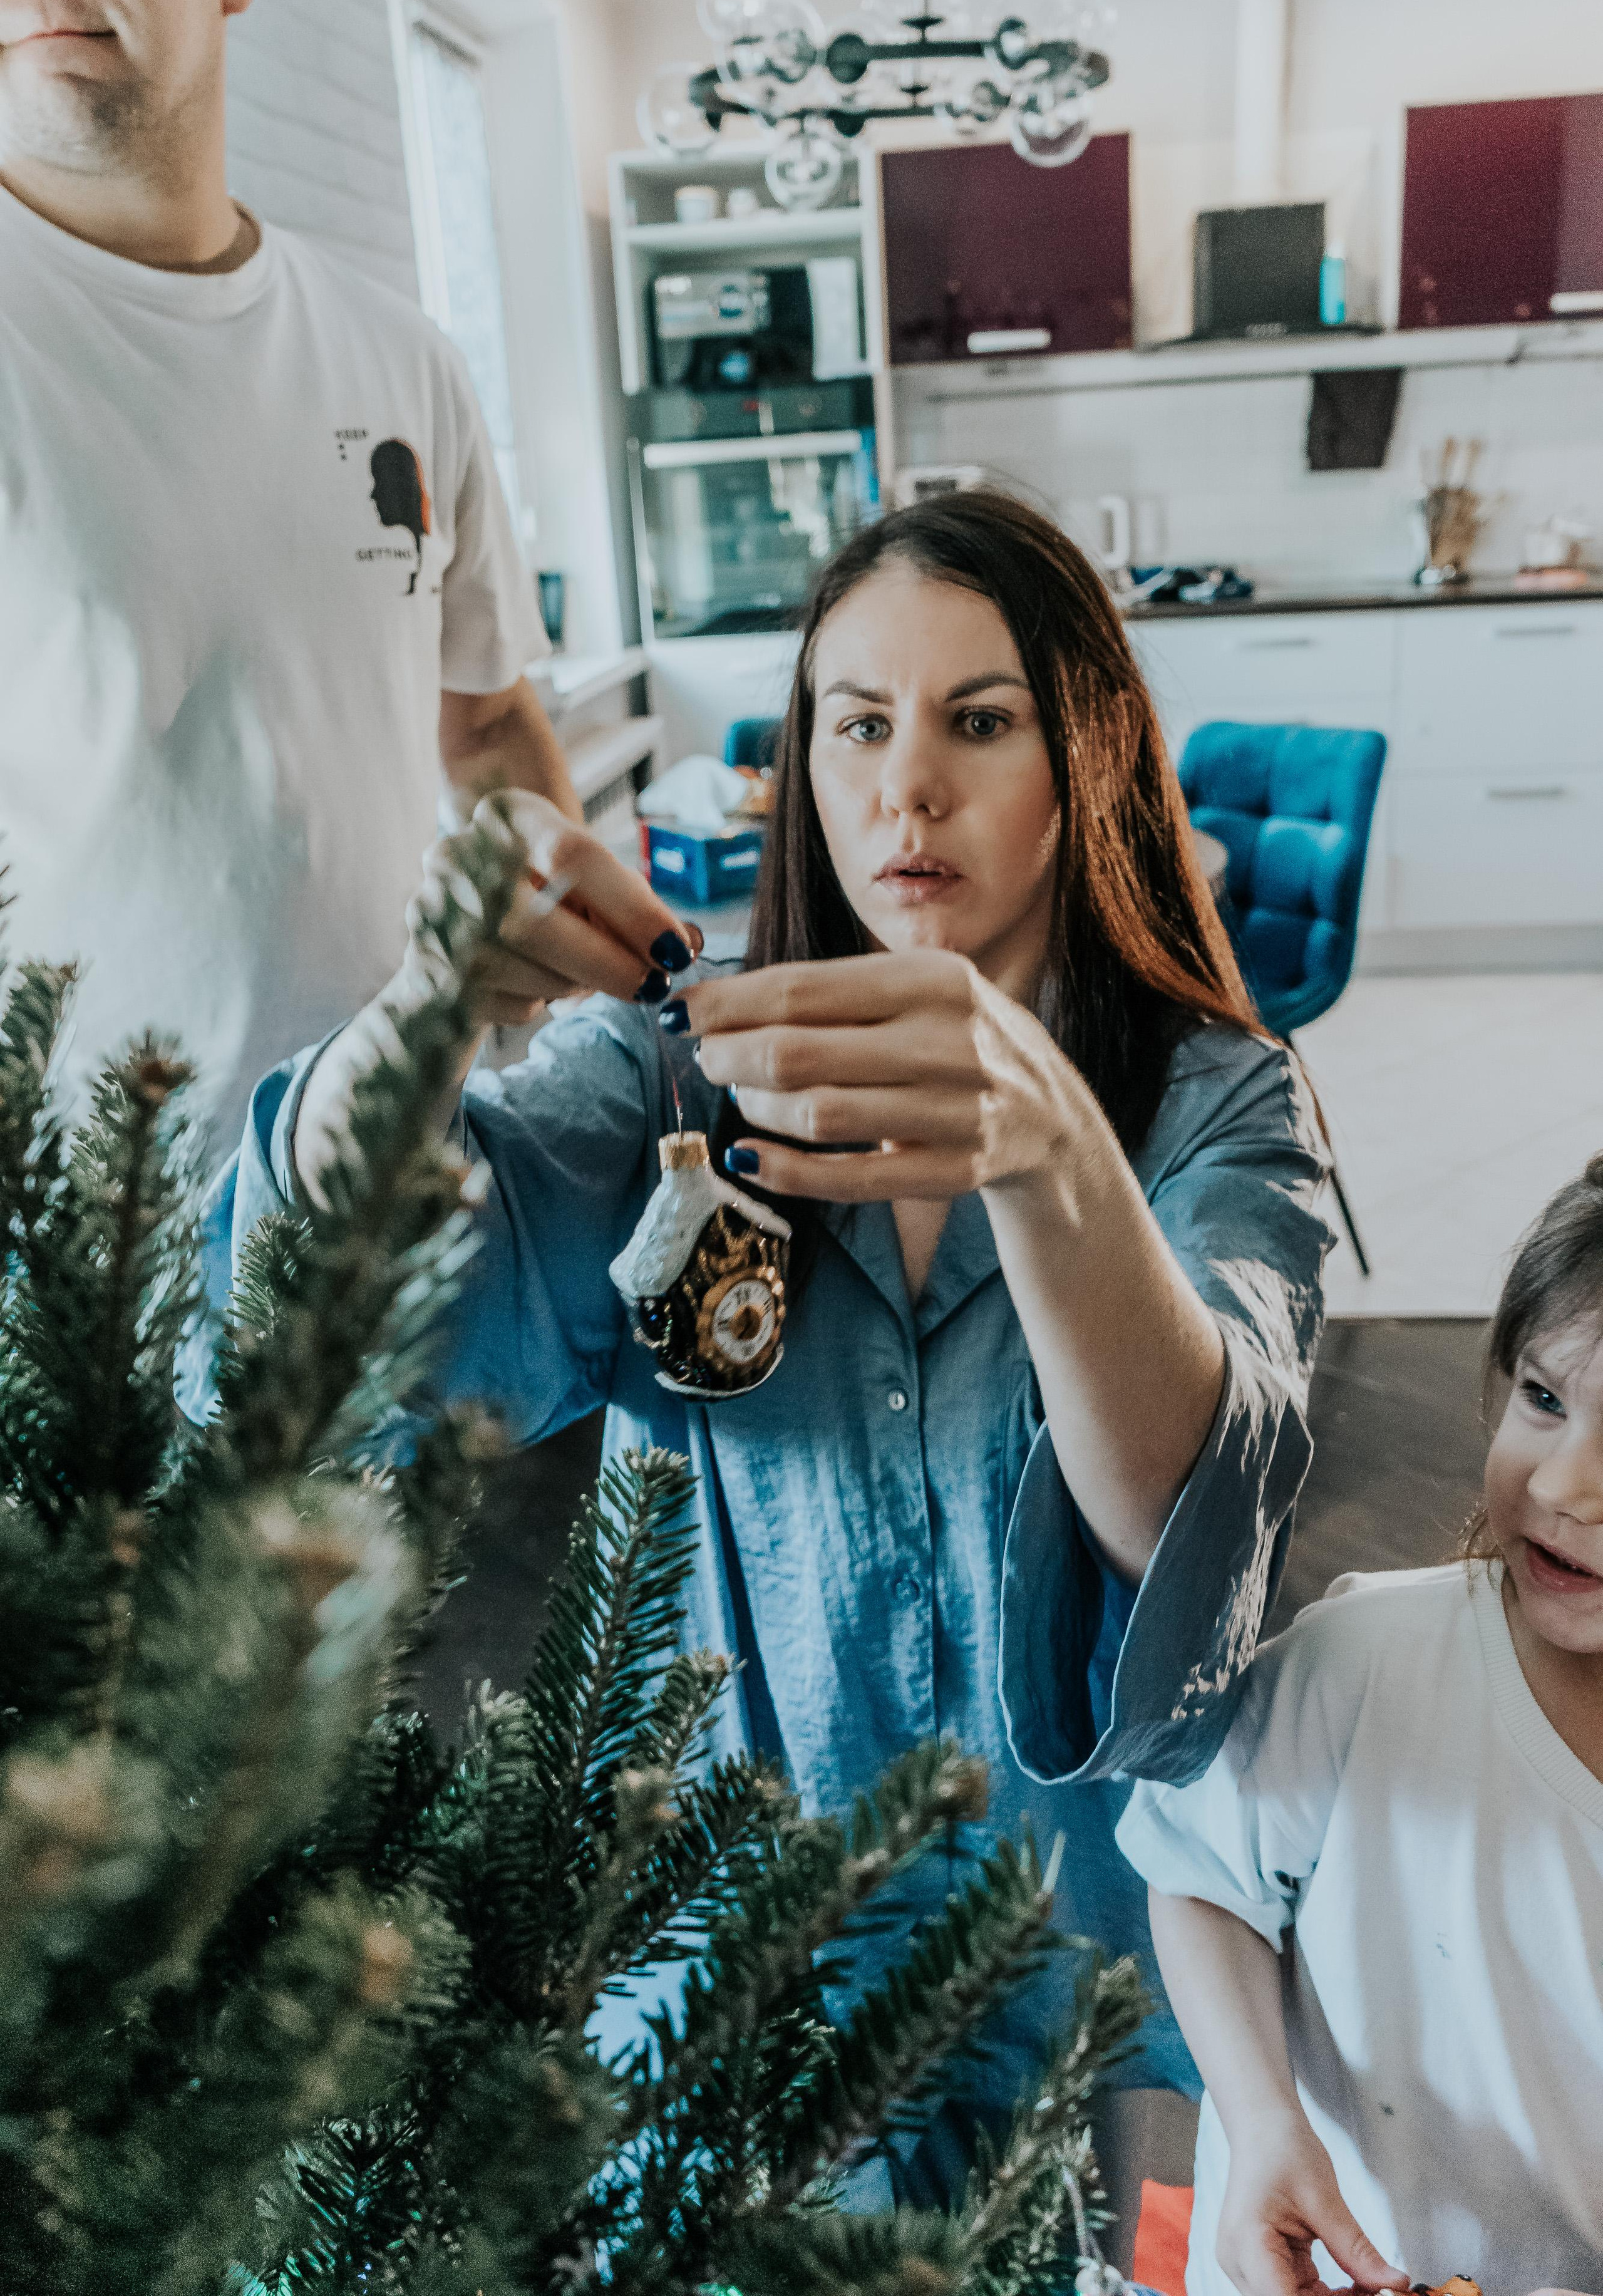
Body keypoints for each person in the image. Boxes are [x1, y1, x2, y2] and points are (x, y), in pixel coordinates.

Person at [202, 490, 1332, 2221]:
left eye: (980, 720)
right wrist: (426, 1015)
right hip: (747, 2002)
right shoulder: (678, 1086)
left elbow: (1196, 1536)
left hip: (1110, 2006)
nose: (908, 790)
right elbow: (329, 1328)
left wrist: (1047, 1157)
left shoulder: (1214, 1110)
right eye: (856, 725)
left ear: (1088, 755)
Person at [0, 0, 577, 1161]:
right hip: (86, 1287)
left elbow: (483, 723)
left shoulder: (401, 359)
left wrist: (576, 1001)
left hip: (410, 1190)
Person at [1116, 1157, 1603, 2296]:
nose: (1569, 1483)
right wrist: (1261, 2119)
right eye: (1545, 1399)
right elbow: (1198, 1875)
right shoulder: (1367, 1664)